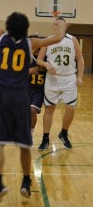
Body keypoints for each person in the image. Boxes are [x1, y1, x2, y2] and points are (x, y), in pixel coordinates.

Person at [0, 0, 65, 205]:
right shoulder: (31, 43)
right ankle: (26, 181)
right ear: (26, 28)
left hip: (1, 97)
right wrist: (59, 25)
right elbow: (56, 39)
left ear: (8, 27)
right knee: (24, 142)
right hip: (20, 97)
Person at [37, 17, 84, 151]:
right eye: (54, 25)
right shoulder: (48, 40)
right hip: (53, 79)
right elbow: (39, 60)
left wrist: (79, 77)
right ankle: (45, 138)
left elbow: (80, 59)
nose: (55, 26)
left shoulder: (72, 40)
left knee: (71, 108)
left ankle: (64, 132)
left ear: (65, 27)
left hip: (69, 79)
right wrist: (46, 64)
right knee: (49, 109)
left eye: (58, 25)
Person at [28, 47, 46, 135]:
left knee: (32, 110)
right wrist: (29, 71)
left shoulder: (45, 59)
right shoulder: (26, 58)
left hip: (39, 91)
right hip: (27, 90)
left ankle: (30, 134)